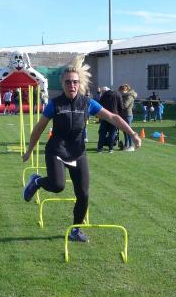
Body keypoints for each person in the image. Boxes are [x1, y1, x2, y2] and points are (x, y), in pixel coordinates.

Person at [21, 59, 142, 242]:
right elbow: (39, 128)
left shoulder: (88, 103)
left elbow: (113, 117)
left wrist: (132, 134)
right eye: (68, 82)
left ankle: (76, 230)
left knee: (83, 194)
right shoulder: (55, 104)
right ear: (62, 84)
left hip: (77, 152)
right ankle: (37, 181)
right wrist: (29, 150)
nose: (72, 85)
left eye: (75, 82)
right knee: (58, 186)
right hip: (57, 150)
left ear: (80, 84)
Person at [97, 86, 121, 153]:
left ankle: (100, 148)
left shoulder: (104, 95)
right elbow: (120, 106)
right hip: (114, 116)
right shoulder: (117, 94)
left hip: (105, 116)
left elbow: (99, 105)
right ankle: (111, 148)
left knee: (102, 133)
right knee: (112, 133)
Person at [118, 84, 137, 150]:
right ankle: (126, 145)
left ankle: (131, 146)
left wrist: (118, 103)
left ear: (126, 90)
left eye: (121, 91)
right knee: (125, 131)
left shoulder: (130, 96)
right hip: (124, 114)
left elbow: (125, 105)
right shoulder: (124, 96)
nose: (120, 93)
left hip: (128, 115)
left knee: (129, 131)